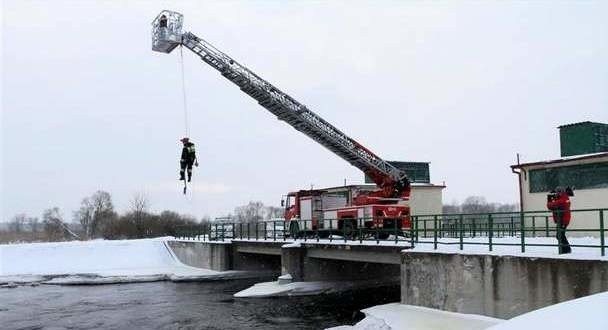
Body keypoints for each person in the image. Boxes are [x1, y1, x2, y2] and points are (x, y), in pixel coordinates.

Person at [547, 186, 572, 254]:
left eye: (558, 192)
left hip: (563, 220)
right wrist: (552, 198)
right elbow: (551, 206)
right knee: (560, 235)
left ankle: (566, 249)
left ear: (561, 192)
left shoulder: (563, 199)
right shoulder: (563, 198)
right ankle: (565, 249)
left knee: (560, 235)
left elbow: (550, 205)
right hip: (561, 219)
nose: (557, 194)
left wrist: (550, 199)